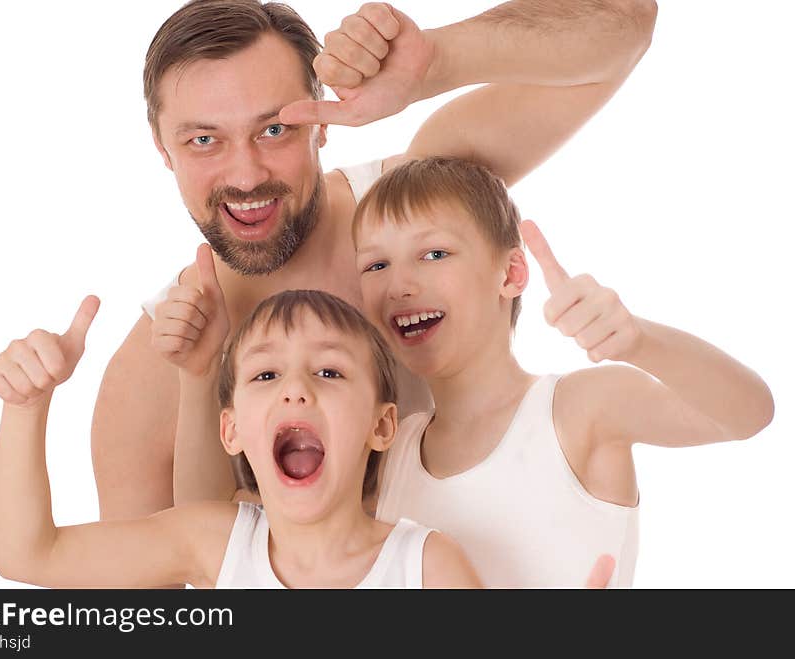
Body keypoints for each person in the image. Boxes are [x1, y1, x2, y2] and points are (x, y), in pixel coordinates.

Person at [76, 0, 659, 520]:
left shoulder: (417, 205)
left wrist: (438, 60)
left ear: (321, 125)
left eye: (275, 128)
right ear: (162, 149)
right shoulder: (157, 371)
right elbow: (148, 608)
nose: (246, 174)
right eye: (204, 140)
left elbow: (625, 22)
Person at [350, 156, 774, 587]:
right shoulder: (390, 453)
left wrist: (639, 341)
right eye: (376, 265)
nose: (399, 284)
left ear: (511, 273)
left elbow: (749, 413)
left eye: (434, 253)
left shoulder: (578, 411)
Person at [0, 278, 487, 588]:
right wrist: (27, 407)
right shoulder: (212, 543)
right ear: (231, 430)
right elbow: (29, 554)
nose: (295, 390)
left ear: (381, 425)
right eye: (266, 376)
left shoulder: (428, 569)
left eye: (330, 372)